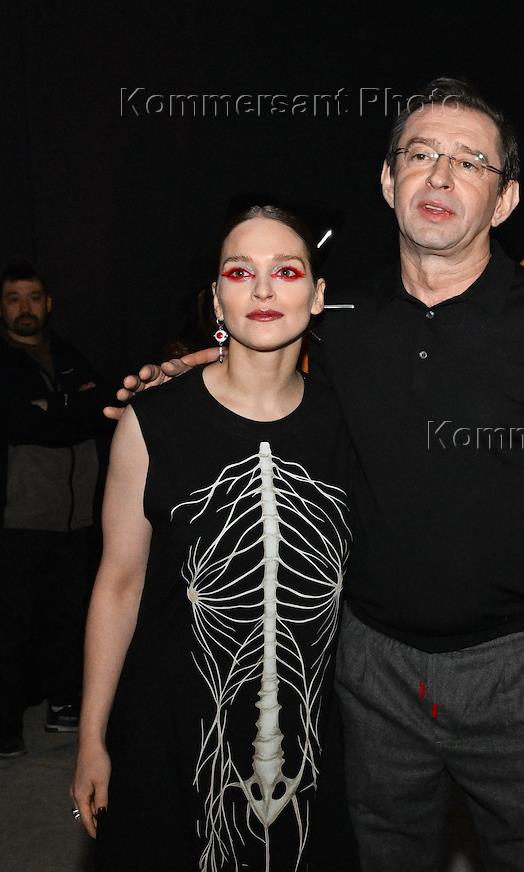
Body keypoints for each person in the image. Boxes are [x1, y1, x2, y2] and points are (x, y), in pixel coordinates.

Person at [108, 79, 524, 871]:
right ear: (388, 180)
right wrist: (183, 372)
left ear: (506, 198)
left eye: (470, 161)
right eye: (421, 155)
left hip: (519, 670)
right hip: (372, 672)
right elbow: (263, 349)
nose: (441, 176)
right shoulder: (343, 321)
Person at [72, 206, 354, 871]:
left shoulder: (350, 421)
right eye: (240, 272)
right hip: (167, 726)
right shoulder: (152, 422)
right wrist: (90, 736)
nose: (263, 289)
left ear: (317, 297)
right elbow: (119, 584)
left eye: (287, 271)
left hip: (315, 734)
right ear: (217, 300)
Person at [0, 261, 109, 757]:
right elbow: (20, 424)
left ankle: (64, 704)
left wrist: (55, 408)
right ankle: (6, 726)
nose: (25, 307)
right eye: (14, 298)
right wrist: (69, 408)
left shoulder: (66, 352)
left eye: (33, 297)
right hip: (18, 516)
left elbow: (104, 407)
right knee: (13, 623)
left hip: (75, 517)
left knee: (69, 616)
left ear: (48, 304)